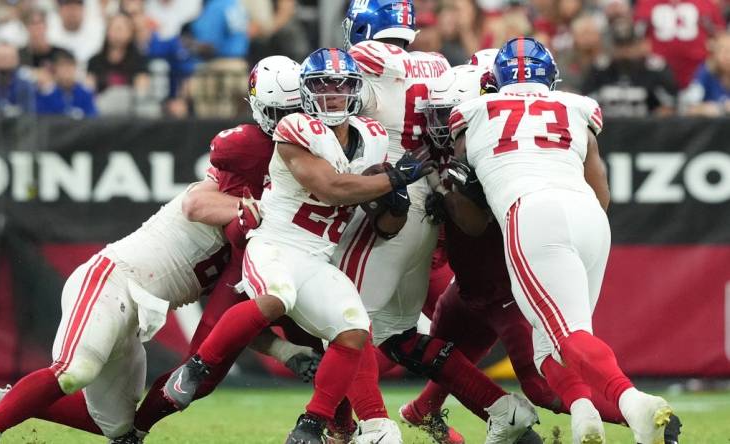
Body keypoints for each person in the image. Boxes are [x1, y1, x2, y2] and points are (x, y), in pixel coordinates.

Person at [0, 114, 320, 444]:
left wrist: (286, 351)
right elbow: (196, 204)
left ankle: (1, 402)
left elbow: (231, 322)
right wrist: (250, 209)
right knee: (74, 372)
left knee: (113, 425)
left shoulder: (261, 233)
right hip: (110, 282)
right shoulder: (224, 200)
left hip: (136, 318)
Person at [161, 47, 432, 444]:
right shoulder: (295, 130)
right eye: (324, 85)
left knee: (354, 331)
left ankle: (310, 426)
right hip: (275, 241)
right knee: (277, 297)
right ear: (306, 92)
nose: (334, 95)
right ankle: (197, 366)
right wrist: (393, 180)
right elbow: (332, 187)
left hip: (319, 255)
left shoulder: (372, 137)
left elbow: (386, 226)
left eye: (343, 86)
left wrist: (396, 202)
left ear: (357, 91)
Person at [447, 36, 674, 444]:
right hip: (588, 214)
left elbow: (471, 217)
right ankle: (584, 417)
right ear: (549, 76)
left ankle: (634, 402)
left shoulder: (472, 111)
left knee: (567, 338)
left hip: (531, 212)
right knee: (554, 343)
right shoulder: (577, 107)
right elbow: (601, 192)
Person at [338, 2, 541, 443]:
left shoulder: (367, 62)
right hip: (429, 207)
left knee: (343, 325)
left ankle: (372, 426)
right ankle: (500, 408)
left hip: (385, 206)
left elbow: (345, 80)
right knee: (398, 336)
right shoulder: (434, 63)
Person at [110, 55, 320, 444]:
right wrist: (249, 208)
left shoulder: (328, 136)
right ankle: (135, 430)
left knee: (336, 341)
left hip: (311, 256)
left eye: (294, 109)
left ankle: (341, 426)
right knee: (202, 371)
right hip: (255, 262)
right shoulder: (244, 146)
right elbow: (196, 204)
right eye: (279, 111)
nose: (288, 119)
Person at [36, 49, 98, 118]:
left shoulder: (85, 93)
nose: (67, 71)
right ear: (55, 69)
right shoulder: (46, 94)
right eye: (62, 66)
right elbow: (41, 118)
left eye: (70, 66)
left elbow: (93, 118)